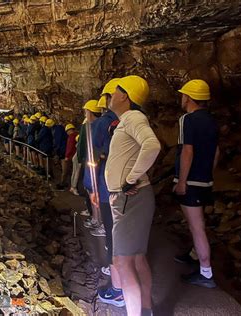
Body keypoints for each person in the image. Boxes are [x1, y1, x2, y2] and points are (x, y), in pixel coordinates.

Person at [105, 75, 161, 316]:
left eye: (114, 91)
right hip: (131, 199)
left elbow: (152, 145)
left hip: (131, 199)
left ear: (124, 95)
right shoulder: (127, 119)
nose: (110, 95)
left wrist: (130, 179)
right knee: (137, 259)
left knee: (123, 262)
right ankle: (146, 310)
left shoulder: (134, 117)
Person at [173, 79, 219, 289]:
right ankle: (194, 254)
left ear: (189, 98)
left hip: (191, 181)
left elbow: (187, 151)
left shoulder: (187, 120)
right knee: (199, 223)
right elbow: (216, 151)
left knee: (196, 226)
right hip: (204, 180)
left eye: (184, 95)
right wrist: (208, 175)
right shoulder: (212, 120)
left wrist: (182, 181)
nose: (182, 98)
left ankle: (206, 272)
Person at [91, 78, 125, 307]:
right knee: (124, 234)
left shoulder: (104, 123)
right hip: (127, 187)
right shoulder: (131, 120)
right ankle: (126, 285)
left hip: (108, 185)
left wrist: (91, 186)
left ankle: (118, 290)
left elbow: (95, 154)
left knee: (114, 236)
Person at [78, 100, 105, 237]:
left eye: (86, 111)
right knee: (93, 195)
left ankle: (100, 222)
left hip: (96, 166)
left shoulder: (95, 126)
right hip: (94, 166)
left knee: (97, 196)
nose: (85, 114)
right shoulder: (94, 125)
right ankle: (96, 220)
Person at [62, 124, 79, 189]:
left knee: (67, 170)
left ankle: (70, 185)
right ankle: (71, 184)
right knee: (72, 170)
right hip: (75, 155)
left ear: (69, 130)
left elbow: (70, 147)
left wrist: (67, 156)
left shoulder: (71, 137)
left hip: (71, 156)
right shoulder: (77, 135)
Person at [52, 122, 68, 190]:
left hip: (62, 152)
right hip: (63, 151)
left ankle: (62, 183)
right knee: (64, 168)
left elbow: (58, 141)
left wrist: (56, 150)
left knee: (64, 168)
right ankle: (63, 181)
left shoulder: (57, 130)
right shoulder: (61, 130)